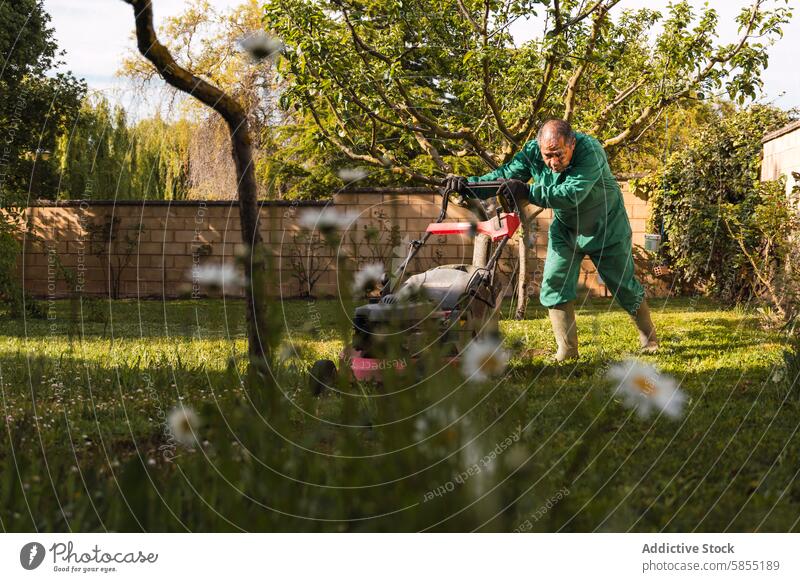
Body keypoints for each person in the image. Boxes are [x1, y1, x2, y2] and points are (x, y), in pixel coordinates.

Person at [446, 119, 658, 361]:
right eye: (548, 156)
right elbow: (505, 175)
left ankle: (649, 339)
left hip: (606, 227)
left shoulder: (591, 151)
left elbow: (572, 194)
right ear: (539, 147)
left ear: (572, 143)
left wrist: (527, 192)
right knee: (555, 284)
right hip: (566, 229)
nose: (553, 162)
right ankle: (567, 351)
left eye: (559, 155)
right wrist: (467, 185)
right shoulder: (532, 152)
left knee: (623, 286)